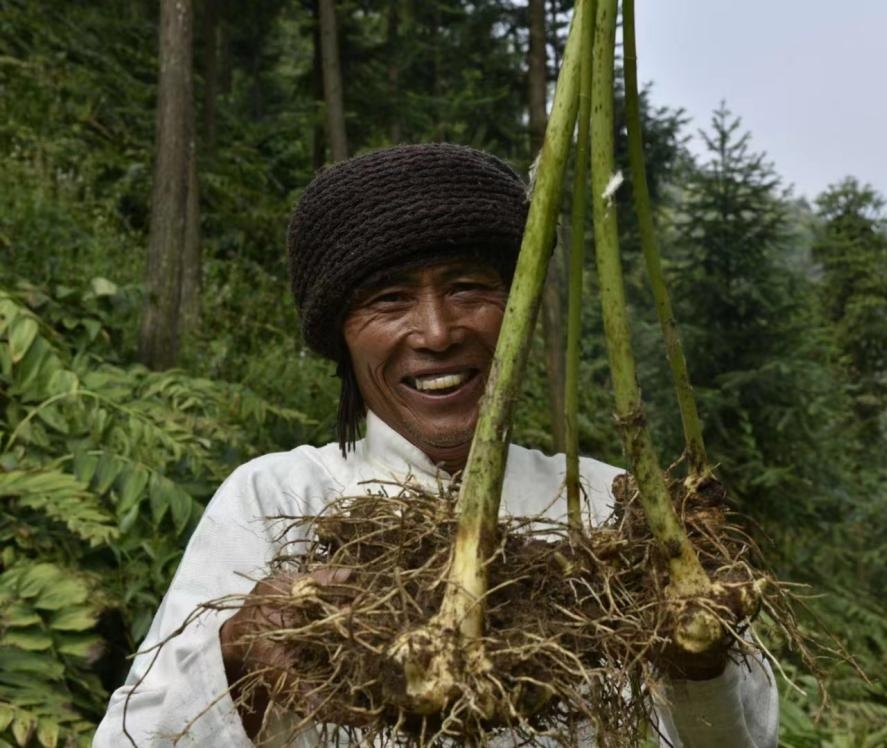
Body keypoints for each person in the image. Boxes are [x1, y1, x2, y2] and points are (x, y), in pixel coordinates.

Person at [94, 144, 779, 747]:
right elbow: (136, 738)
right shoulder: (279, 500)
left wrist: (698, 662)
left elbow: (745, 739)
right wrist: (237, 654)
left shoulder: (613, 510)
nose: (437, 331)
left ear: (517, 311)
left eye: (468, 288)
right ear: (341, 334)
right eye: (389, 300)